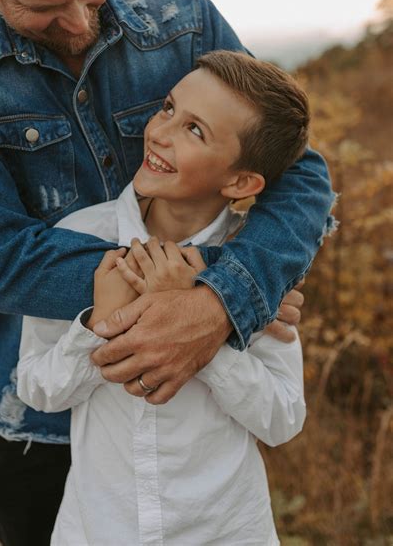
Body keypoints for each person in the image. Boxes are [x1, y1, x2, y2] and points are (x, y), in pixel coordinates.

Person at [0, 0, 334, 544]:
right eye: (42, 4)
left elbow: (299, 173)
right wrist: (205, 287)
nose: (79, 23)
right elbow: (3, 260)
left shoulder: (187, 23)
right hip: (39, 430)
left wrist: (223, 296)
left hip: (200, 444)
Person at [17, 50, 309, 545]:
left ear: (240, 182)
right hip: (100, 529)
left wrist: (203, 327)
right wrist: (99, 324)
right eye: (169, 108)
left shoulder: (254, 266)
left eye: (195, 130)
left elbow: (282, 418)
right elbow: (37, 389)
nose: (161, 132)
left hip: (225, 530)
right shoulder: (78, 237)